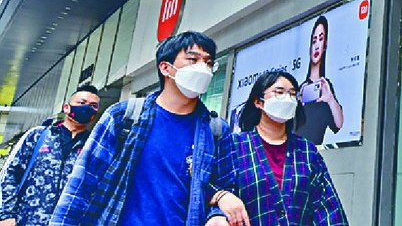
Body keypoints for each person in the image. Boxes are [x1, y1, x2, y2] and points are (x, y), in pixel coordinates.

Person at [49, 31, 249, 226]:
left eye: (209, 63)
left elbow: (223, 187)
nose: (203, 69)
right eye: (193, 59)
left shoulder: (216, 130)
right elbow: (82, 183)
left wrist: (216, 214)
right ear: (166, 68)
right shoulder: (124, 116)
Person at [218, 70, 349, 226]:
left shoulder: (307, 151)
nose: (287, 99)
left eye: (292, 94)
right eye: (279, 92)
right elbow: (214, 190)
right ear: (258, 102)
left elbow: (328, 209)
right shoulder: (235, 145)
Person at [0, 85, 101, 226]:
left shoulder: (93, 148)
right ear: (66, 108)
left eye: (93, 106)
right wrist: (7, 215)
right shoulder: (38, 136)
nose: (87, 108)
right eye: (82, 103)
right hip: (27, 221)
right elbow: (10, 174)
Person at [296, 16, 344, 145]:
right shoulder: (300, 89)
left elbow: (339, 124)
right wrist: (299, 105)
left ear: (325, 45)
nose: (317, 45)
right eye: (314, 40)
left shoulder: (326, 88)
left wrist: (330, 99)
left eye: (321, 39)